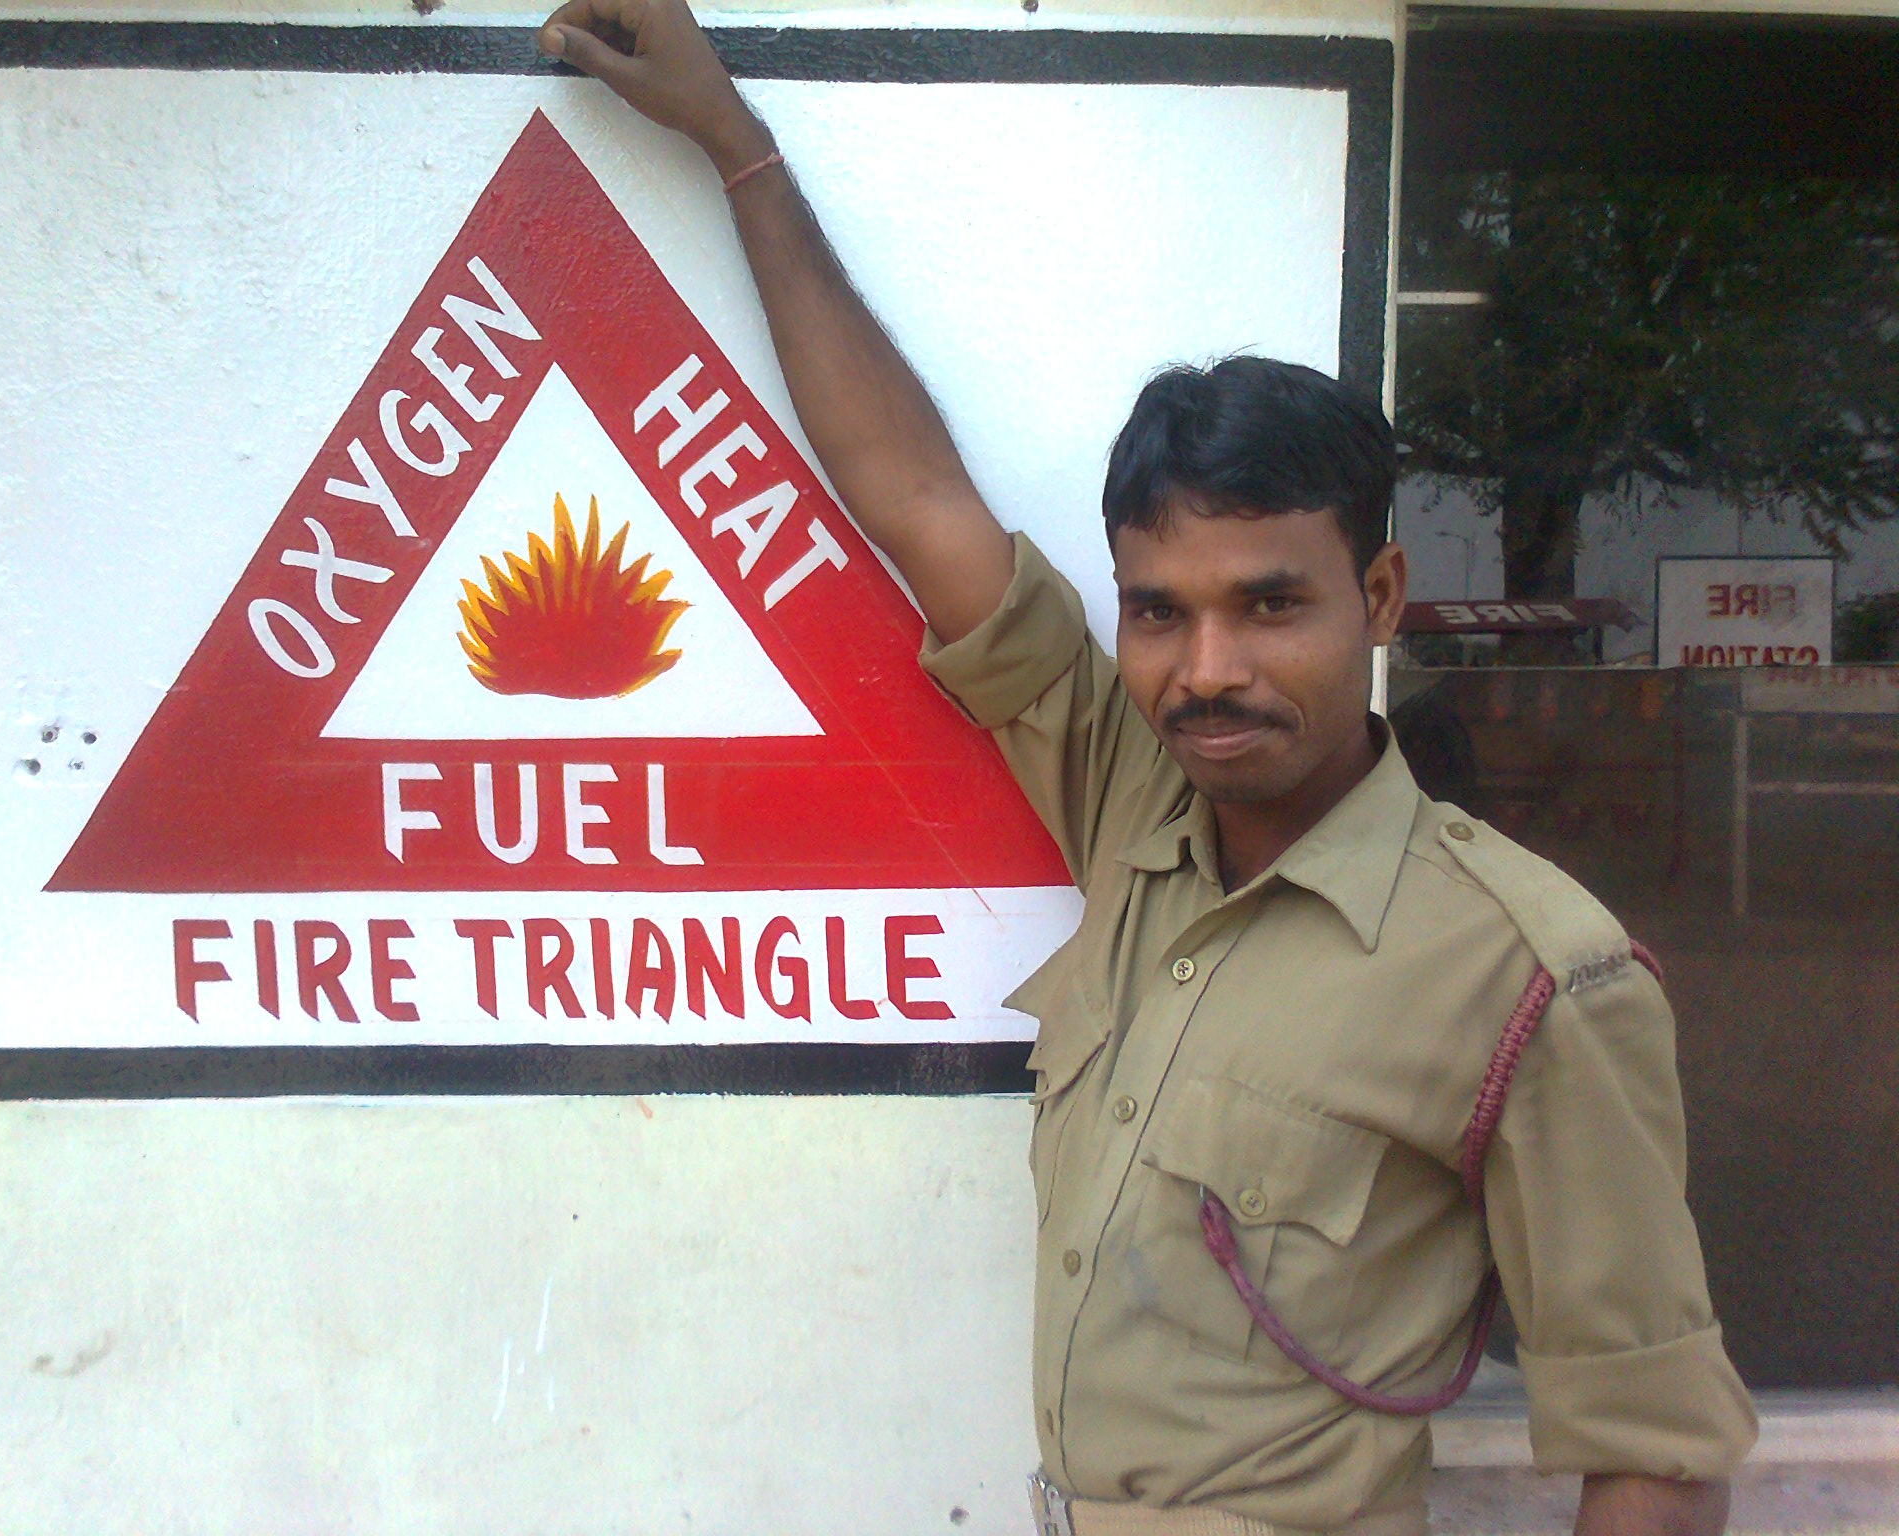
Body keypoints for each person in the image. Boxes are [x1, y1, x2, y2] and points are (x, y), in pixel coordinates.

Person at [532, 3, 1758, 1531]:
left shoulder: (1531, 977)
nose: (1208, 669)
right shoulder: (1133, 801)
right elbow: (914, 496)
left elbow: (1656, 1449)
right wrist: (737, 148)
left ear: (1379, 599)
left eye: (1271, 606)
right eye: (1159, 612)